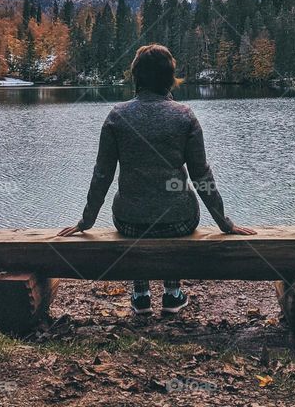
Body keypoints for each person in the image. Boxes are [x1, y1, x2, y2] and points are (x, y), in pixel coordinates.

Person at [58, 43, 255, 316]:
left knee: (140, 211)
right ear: (169, 79)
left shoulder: (117, 116)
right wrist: (225, 223)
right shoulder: (184, 116)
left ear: (136, 77)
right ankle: (172, 294)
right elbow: (201, 176)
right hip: (179, 222)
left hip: (129, 223)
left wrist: (86, 221)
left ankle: (140, 295)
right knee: (173, 204)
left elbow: (102, 174)